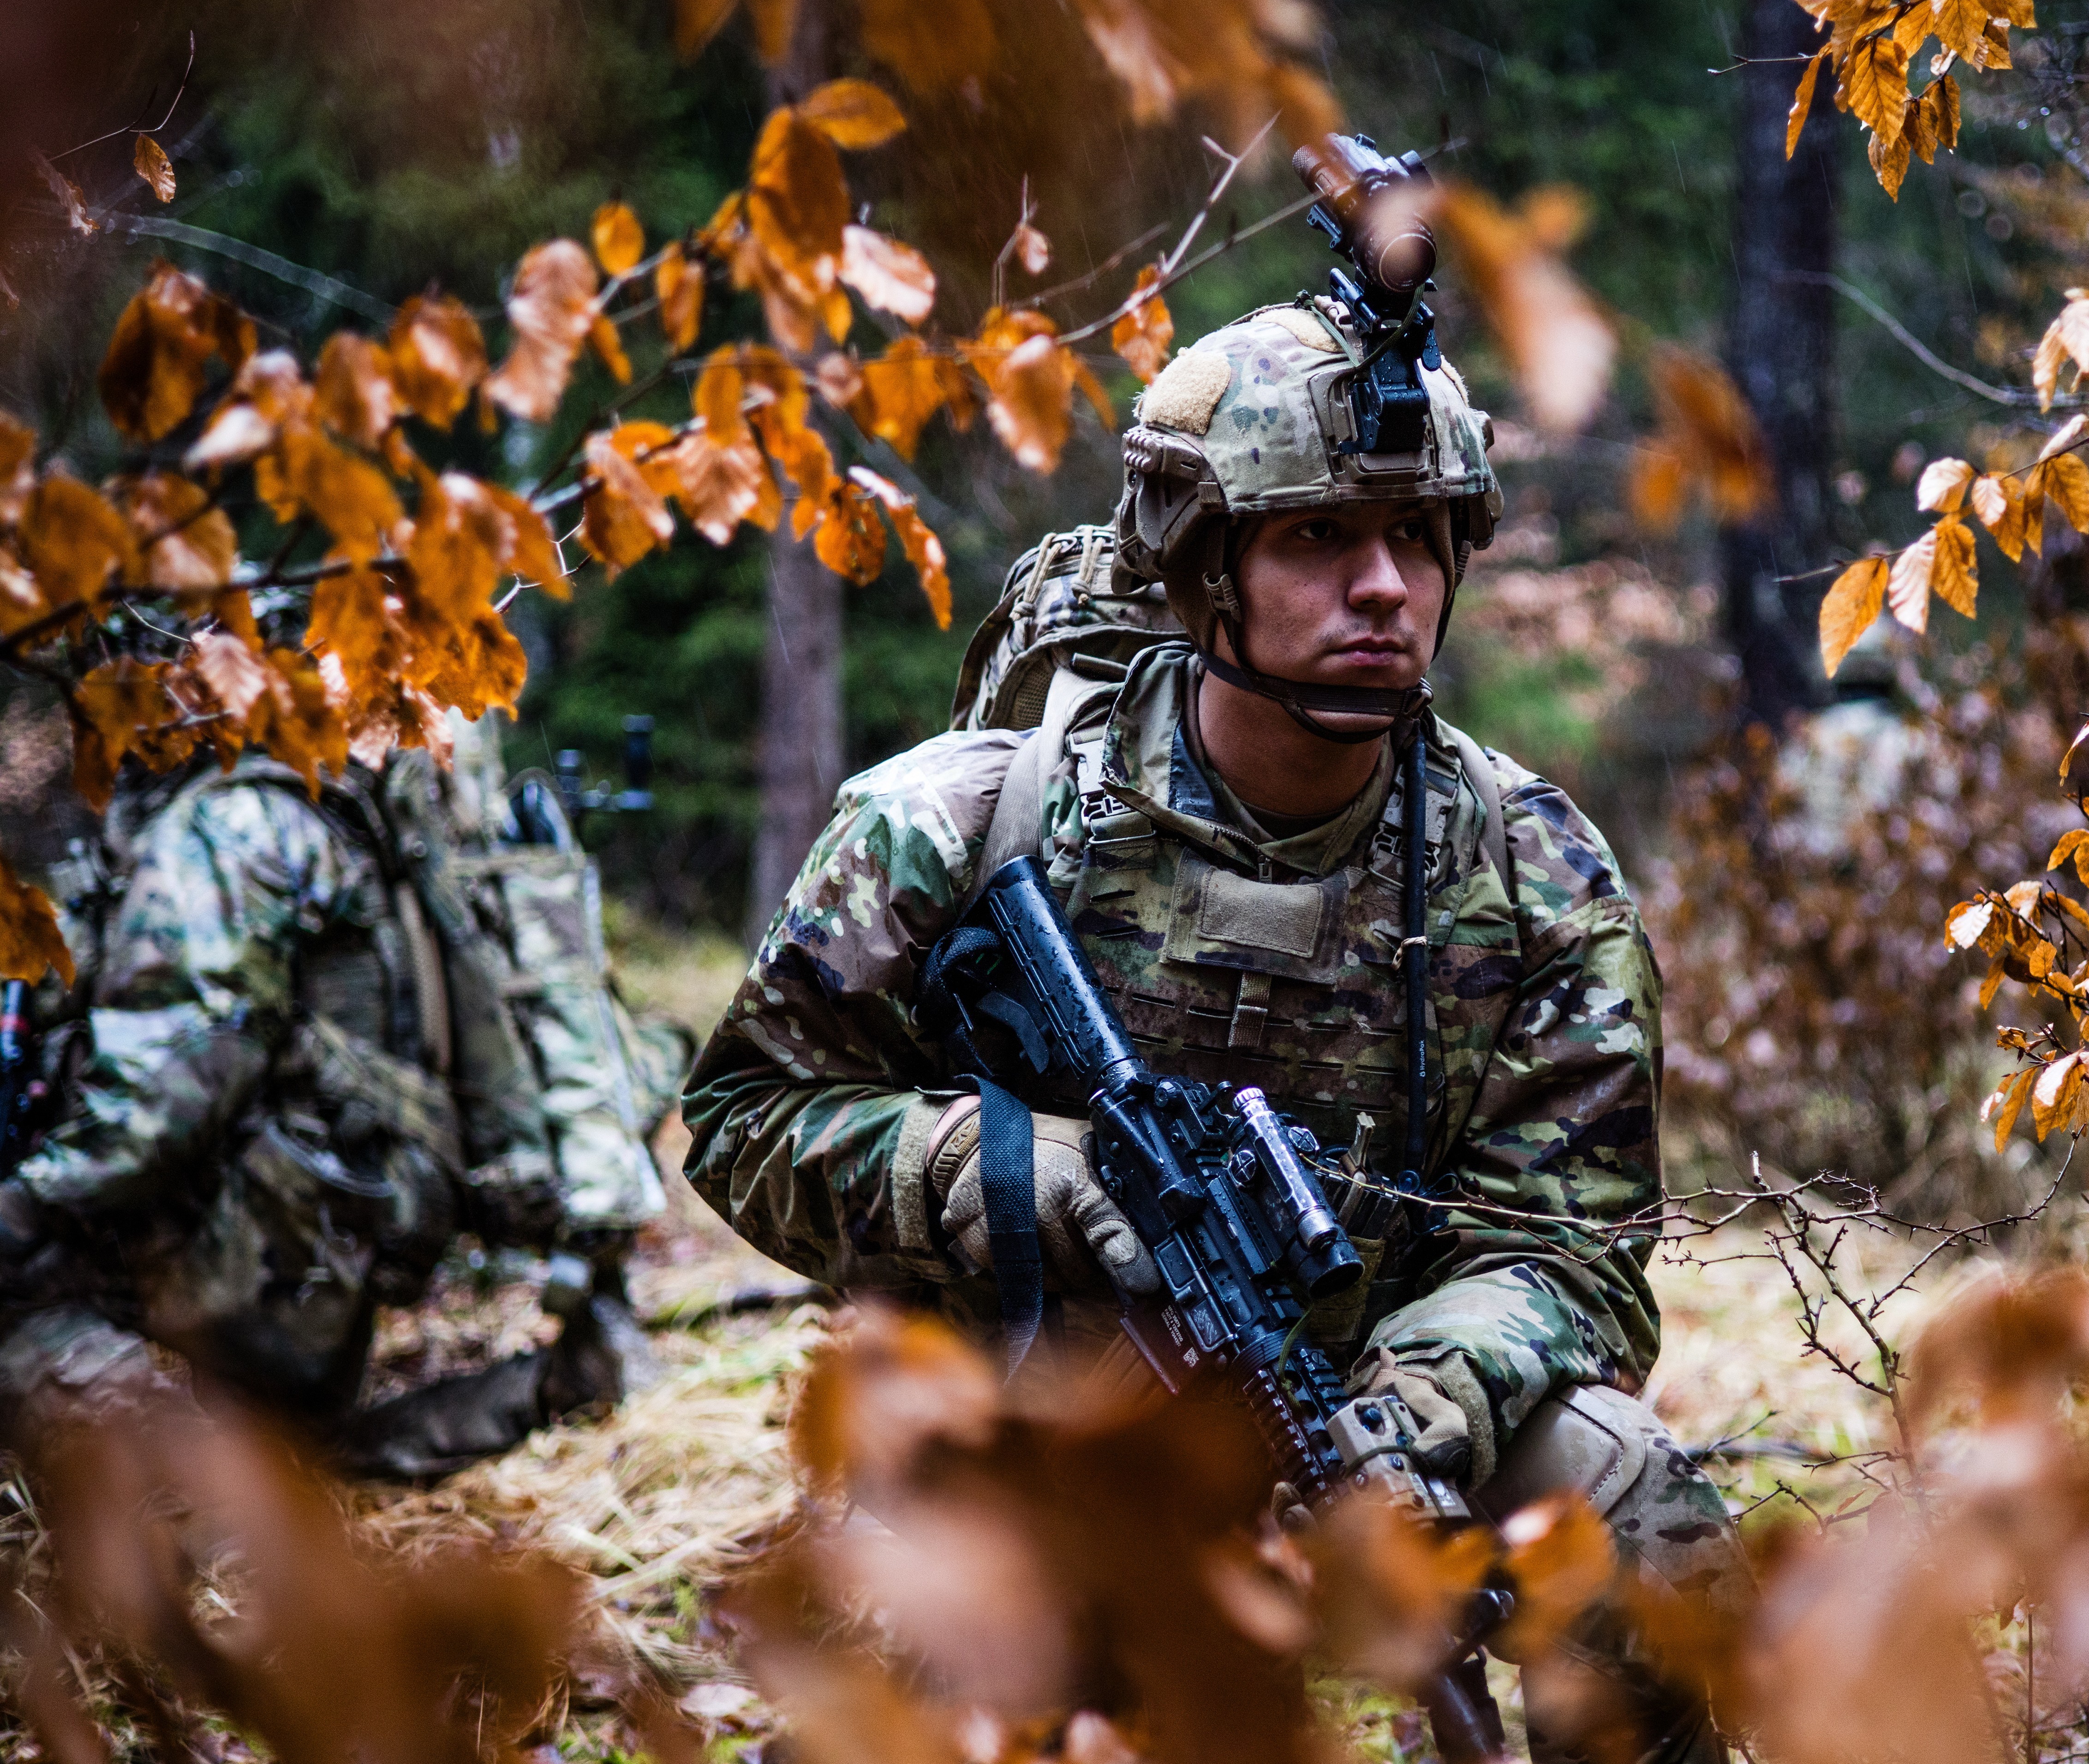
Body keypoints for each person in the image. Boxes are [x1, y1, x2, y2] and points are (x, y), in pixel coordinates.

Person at [680, 301, 1741, 1762]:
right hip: (1042, 1429)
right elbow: (747, 1119)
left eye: (1421, 538)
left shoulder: (1535, 872)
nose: (1385, 588)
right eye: (1318, 539)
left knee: (1636, 1496)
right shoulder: (960, 821)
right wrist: (1026, 1172)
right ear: (1201, 569)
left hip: (1370, 1417)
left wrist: (1414, 1409)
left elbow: (1573, 1255)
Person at [0, 712, 685, 1480]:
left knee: (21, 1317)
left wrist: (22, 1208)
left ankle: (192, 1496)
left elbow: (152, 1118)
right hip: (338, 1247)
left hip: (260, 1277)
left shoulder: (230, 826)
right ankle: (546, 1388)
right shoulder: (350, 805)